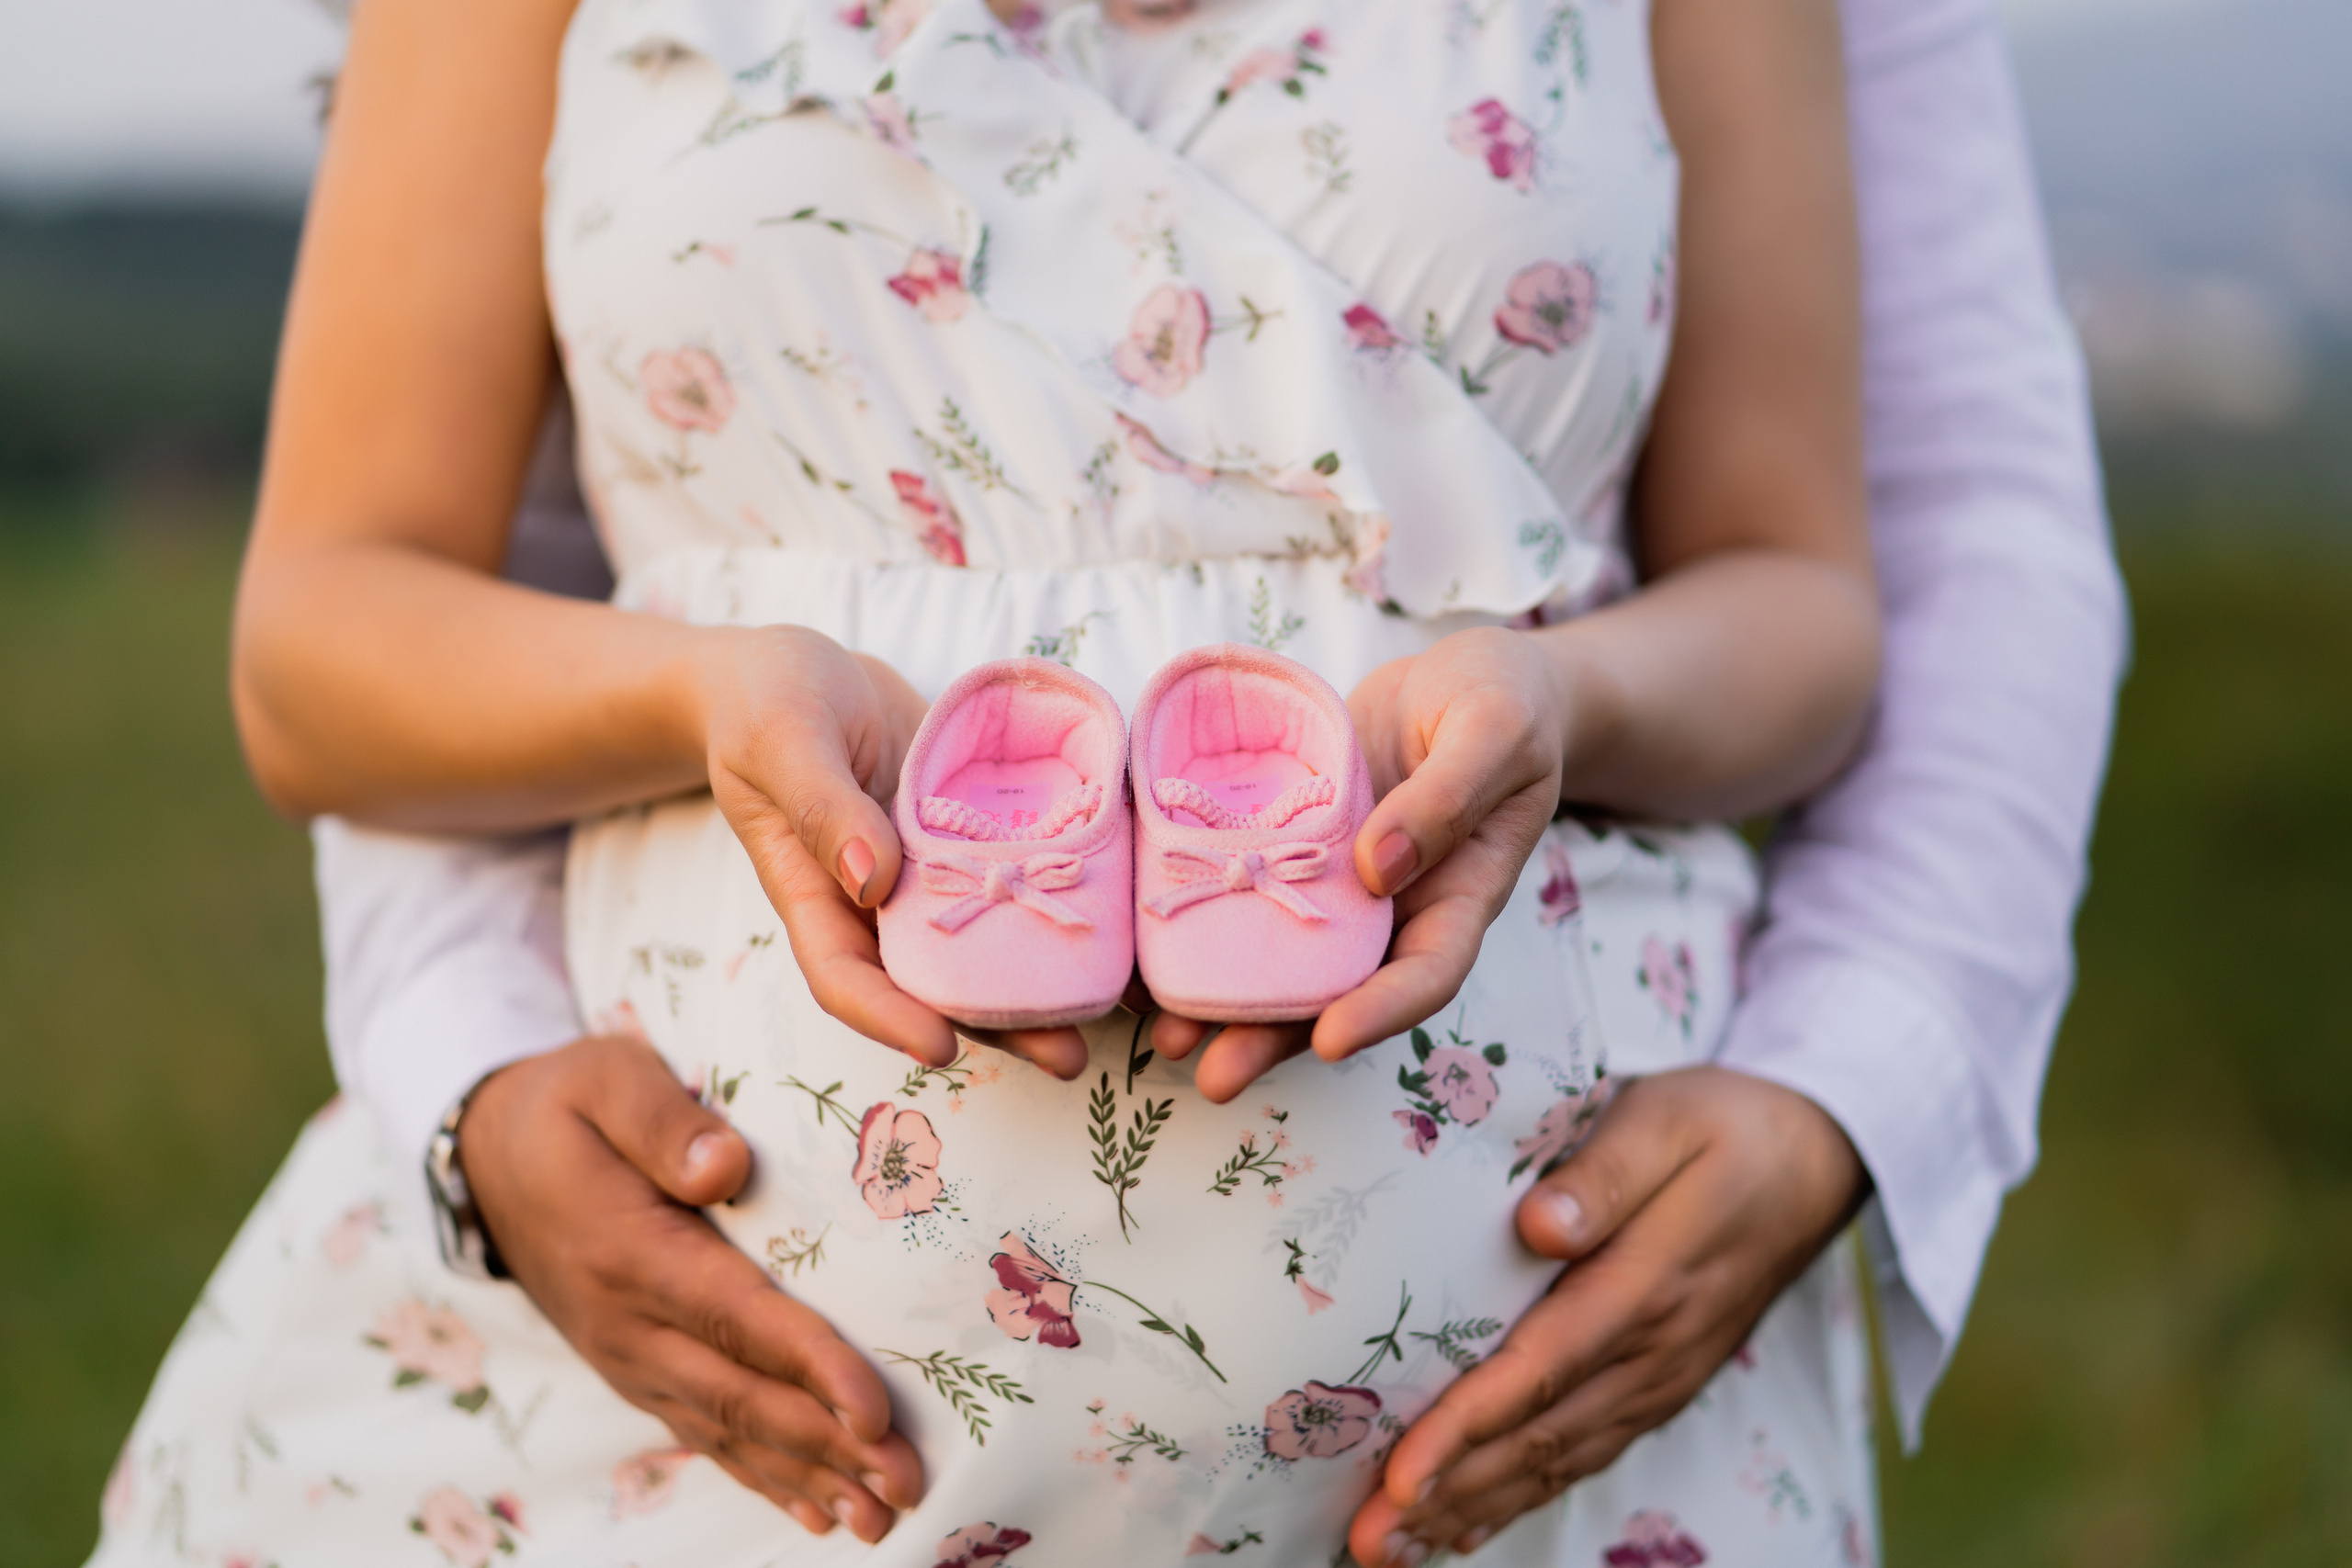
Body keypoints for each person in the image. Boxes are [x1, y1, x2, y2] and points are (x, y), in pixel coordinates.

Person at [88, 0, 2125, 1564]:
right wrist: (482, 1060)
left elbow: (1826, 588)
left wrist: (1578, 707)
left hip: (1544, 1464)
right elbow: (336, 627)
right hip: (649, 1452)